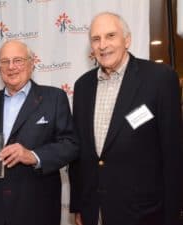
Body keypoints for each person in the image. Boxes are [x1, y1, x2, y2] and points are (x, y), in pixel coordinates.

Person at [68, 12, 183, 225]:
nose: (103, 45)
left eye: (110, 36)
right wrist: (79, 205)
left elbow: (173, 153)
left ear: (127, 40)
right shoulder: (82, 86)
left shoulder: (159, 78)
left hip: (146, 213)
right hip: (96, 211)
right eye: (96, 39)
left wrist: (173, 215)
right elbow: (80, 154)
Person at [0, 39, 78, 225]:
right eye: (4, 61)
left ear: (31, 64)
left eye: (18, 60)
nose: (11, 67)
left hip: (37, 209)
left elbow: (70, 145)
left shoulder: (54, 98)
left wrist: (33, 155)